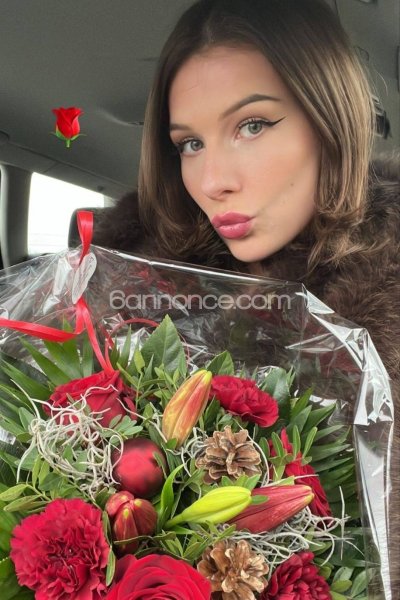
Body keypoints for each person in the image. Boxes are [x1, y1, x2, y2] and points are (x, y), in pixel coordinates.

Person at [93, 0, 399, 595]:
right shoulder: (130, 299)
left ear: (329, 119)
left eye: (252, 125)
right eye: (190, 144)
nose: (213, 182)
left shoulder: (386, 300)